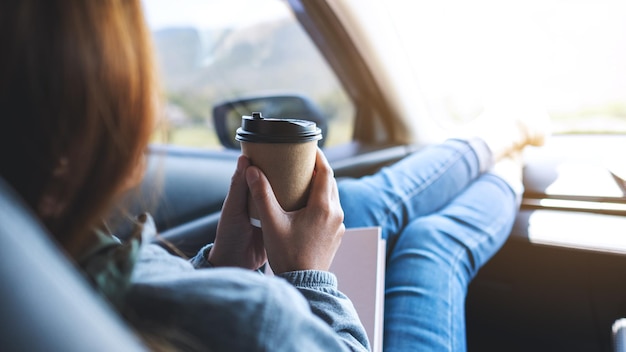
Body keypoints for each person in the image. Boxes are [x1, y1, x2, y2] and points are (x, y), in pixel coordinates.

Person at [0, 0, 548, 351]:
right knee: (434, 245)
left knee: (363, 204)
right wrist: (307, 278)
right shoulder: (261, 322)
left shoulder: (43, 254)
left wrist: (222, 265)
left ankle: (502, 148)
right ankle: (509, 150)